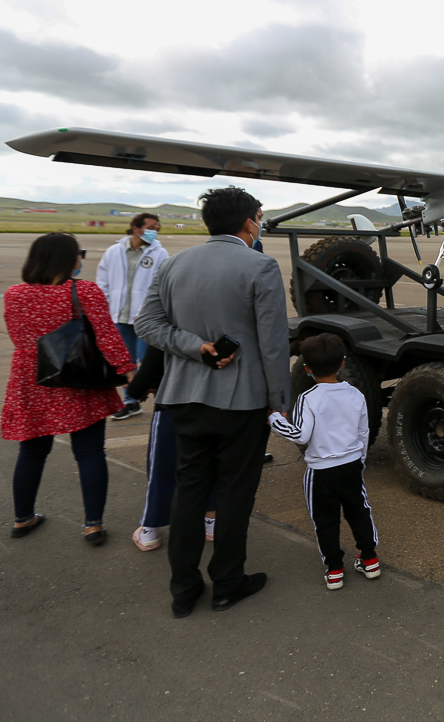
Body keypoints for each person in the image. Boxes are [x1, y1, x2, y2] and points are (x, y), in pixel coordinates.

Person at [134, 186, 291, 618]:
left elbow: (147, 323)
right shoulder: (260, 266)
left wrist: (194, 347)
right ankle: (227, 583)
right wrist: (279, 403)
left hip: (184, 398)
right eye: (259, 216)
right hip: (242, 404)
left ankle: (183, 590)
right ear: (248, 222)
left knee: (188, 492)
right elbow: (274, 344)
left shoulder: (174, 264)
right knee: (235, 495)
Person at [2, 232, 136, 544]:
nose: (81, 259)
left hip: (32, 379)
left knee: (31, 452)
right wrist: (128, 370)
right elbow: (106, 336)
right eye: (79, 253)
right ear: (67, 259)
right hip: (78, 378)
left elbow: (17, 336)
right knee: (89, 453)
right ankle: (92, 525)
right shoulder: (84, 291)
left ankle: (23, 518)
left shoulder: (14, 294)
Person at [270, 334, 380, 591]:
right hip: (351, 466)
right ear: (342, 363)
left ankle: (334, 570)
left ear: (307, 369)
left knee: (325, 520)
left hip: (321, 471)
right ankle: (370, 559)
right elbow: (363, 432)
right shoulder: (355, 394)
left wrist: (276, 419)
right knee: (359, 511)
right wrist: (359, 460)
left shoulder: (309, 398)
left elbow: (300, 434)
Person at [126, 345, 219, 552]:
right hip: (214, 399)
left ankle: (151, 527)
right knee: (210, 461)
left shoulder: (170, 317)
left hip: (172, 401)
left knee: (163, 463)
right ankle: (211, 521)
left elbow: (154, 357)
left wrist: (136, 389)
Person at [99, 212, 169, 421]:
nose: (155, 231)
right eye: (151, 227)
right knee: (125, 362)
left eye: (157, 228)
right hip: (119, 317)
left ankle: (160, 399)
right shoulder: (113, 252)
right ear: (137, 228)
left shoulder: (159, 253)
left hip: (144, 319)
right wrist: (106, 308)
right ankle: (130, 402)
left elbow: (162, 286)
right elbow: (103, 282)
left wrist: (150, 312)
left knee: (147, 361)